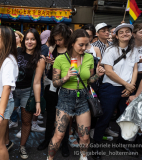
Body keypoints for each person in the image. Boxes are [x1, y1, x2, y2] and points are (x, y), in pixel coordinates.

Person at [47, 29, 105, 160]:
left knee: (84, 136)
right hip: (65, 99)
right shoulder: (60, 59)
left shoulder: (89, 57)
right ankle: (49, 158)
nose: (84, 48)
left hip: (83, 98)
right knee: (59, 136)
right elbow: (55, 83)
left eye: (86, 44)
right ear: (72, 43)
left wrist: (97, 75)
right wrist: (66, 77)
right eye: (81, 45)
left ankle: (83, 157)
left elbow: (88, 81)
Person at [92, 23, 138, 160]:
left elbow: (135, 69)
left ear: (131, 34)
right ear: (116, 35)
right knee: (105, 118)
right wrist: (127, 85)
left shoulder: (134, 50)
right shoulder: (111, 50)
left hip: (127, 88)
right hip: (110, 88)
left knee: (127, 118)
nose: (125, 34)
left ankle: (122, 144)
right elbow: (109, 72)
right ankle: (96, 147)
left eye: (127, 32)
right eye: (121, 32)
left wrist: (131, 86)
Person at [37, 23, 71, 158]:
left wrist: (57, 62)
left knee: (65, 118)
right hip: (50, 85)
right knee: (50, 115)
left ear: (67, 37)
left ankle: (64, 144)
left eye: (60, 39)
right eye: (55, 39)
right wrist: (48, 62)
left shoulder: (72, 49)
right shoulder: (51, 48)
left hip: (67, 86)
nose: (57, 42)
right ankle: (47, 139)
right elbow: (45, 67)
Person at [12, 28, 45, 159]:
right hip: (12, 91)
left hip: (27, 92)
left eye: (32, 39)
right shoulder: (17, 51)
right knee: (5, 119)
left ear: (37, 41)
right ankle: (4, 143)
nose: (29, 42)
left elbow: (37, 82)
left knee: (26, 122)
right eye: (27, 39)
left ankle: (22, 147)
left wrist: (37, 102)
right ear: (23, 40)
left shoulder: (40, 58)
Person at [0, 26, 19, 160]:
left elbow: (7, 87)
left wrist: (0, 114)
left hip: (1, 104)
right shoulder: (0, 57)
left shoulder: (8, 61)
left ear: (7, 40)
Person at [132, 24, 142, 91]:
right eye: (141, 33)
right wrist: (138, 61)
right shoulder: (129, 47)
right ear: (134, 34)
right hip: (132, 77)